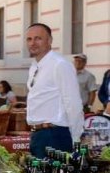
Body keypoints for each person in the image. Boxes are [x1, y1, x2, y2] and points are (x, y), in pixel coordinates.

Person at [25, 23, 83, 158]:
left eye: (38, 38)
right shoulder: (34, 67)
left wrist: (75, 139)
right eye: (29, 39)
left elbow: (73, 103)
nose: (33, 43)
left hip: (55, 135)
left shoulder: (60, 65)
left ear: (49, 41)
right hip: (38, 134)